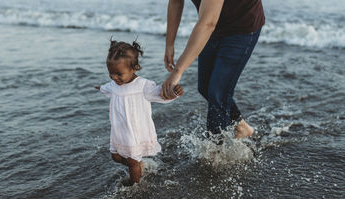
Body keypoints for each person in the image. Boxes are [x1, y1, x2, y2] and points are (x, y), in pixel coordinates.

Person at [161, 0, 265, 139]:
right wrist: (169, 44)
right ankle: (242, 127)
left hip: (241, 26)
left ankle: (215, 152)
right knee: (204, 87)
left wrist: (177, 72)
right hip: (213, 26)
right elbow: (175, 2)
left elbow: (208, 24)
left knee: (217, 93)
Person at [95, 39, 184, 186]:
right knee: (115, 156)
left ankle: (135, 186)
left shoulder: (143, 86)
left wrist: (174, 92)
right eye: (111, 74)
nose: (114, 78)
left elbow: (160, 94)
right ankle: (137, 165)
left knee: (132, 162)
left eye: (119, 74)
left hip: (134, 132)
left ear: (134, 68)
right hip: (119, 131)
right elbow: (107, 88)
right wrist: (100, 88)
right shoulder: (114, 84)